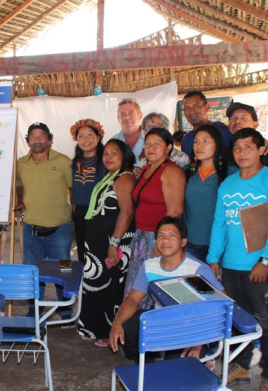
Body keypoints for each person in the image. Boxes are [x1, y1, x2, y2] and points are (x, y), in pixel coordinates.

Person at [207, 128, 268, 389]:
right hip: (231, 266)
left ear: (261, 149)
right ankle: (242, 366)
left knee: (267, 322)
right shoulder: (228, 184)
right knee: (237, 321)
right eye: (237, 147)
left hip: (261, 268)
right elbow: (219, 223)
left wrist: (265, 261)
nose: (242, 152)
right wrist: (213, 258)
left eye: (248, 146)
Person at [110, 217, 224, 361]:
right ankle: (147, 362)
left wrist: (199, 341)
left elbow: (222, 306)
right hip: (161, 321)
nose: (165, 240)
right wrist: (117, 322)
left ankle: (204, 355)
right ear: (156, 241)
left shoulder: (197, 270)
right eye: (161, 235)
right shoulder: (149, 266)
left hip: (190, 329)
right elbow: (132, 299)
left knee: (178, 368)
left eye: (172, 235)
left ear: (183, 242)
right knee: (127, 327)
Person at [77, 139, 136, 347]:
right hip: (98, 242)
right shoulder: (110, 176)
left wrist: (114, 242)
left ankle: (108, 330)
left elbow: (127, 213)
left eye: (114, 153)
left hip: (113, 241)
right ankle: (93, 326)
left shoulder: (125, 178)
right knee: (95, 283)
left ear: (125, 156)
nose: (108, 157)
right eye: (106, 154)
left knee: (111, 284)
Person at [15, 122, 74, 321]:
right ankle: (35, 309)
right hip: (30, 228)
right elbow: (18, 186)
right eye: (32, 136)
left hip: (60, 229)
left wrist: (76, 216)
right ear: (28, 141)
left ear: (50, 140)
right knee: (32, 270)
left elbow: (73, 189)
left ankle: (65, 310)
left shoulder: (64, 161)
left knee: (64, 269)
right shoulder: (21, 163)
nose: (37, 140)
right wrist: (19, 200)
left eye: (42, 136)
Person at [124, 128, 185, 307]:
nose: (151, 147)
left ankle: (151, 330)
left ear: (168, 148)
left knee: (154, 291)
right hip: (141, 237)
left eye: (157, 144)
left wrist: (161, 243)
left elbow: (175, 212)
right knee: (137, 289)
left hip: (158, 238)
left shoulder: (171, 171)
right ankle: (135, 330)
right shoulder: (147, 169)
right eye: (148, 143)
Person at [183, 124, 237, 262]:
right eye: (196, 141)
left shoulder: (232, 173)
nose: (199, 146)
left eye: (206, 141)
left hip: (220, 244)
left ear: (217, 144)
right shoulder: (186, 172)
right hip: (189, 243)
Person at [69, 119, 105, 262]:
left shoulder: (105, 161)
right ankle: (83, 282)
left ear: (98, 137)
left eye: (89, 134)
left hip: (101, 213)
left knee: (99, 252)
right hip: (80, 214)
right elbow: (71, 188)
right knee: (83, 252)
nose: (85, 139)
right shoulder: (74, 162)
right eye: (81, 136)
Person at [179, 91, 233, 158]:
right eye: (187, 108)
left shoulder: (226, 132)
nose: (191, 112)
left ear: (207, 107)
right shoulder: (186, 140)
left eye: (196, 106)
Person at [226, 102, 268, 170]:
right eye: (233, 118)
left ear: (255, 125)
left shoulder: (264, 152)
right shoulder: (222, 150)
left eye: (244, 118)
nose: (237, 121)